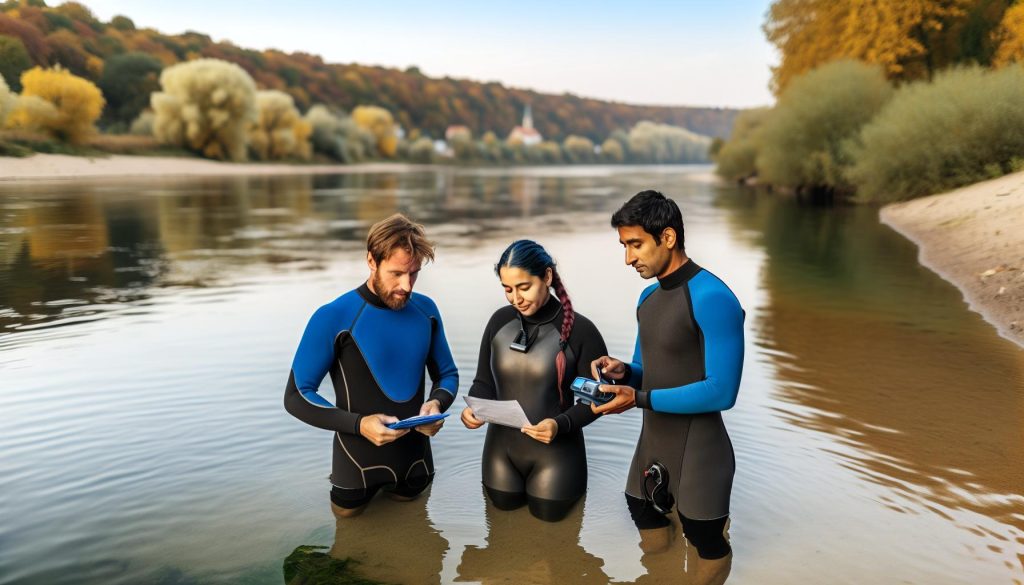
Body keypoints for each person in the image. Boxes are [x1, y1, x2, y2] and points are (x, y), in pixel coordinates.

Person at [590, 190, 744, 562]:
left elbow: (722, 391)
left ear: (668, 237)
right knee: (646, 526)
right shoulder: (647, 300)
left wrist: (638, 398)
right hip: (652, 445)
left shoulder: (713, 297)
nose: (628, 258)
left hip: (701, 455)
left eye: (636, 244)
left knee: (707, 547)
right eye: (624, 246)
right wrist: (625, 371)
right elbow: (649, 372)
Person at [284, 213, 459, 517]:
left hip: (416, 465)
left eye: (414, 273)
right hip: (356, 466)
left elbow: (447, 374)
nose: (406, 285)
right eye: (396, 273)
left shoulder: (426, 311)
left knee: (420, 547)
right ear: (371, 261)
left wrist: (436, 402)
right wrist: (358, 424)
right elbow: (297, 395)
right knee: (349, 543)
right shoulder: (334, 316)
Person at [461, 239, 608, 522]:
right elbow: (484, 382)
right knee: (500, 536)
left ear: (547, 276)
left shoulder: (581, 330)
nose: (516, 298)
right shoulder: (498, 322)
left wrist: (559, 423)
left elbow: (599, 399)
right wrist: (474, 408)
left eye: (524, 287)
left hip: (558, 457)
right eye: (507, 289)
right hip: (499, 455)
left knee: (553, 544)